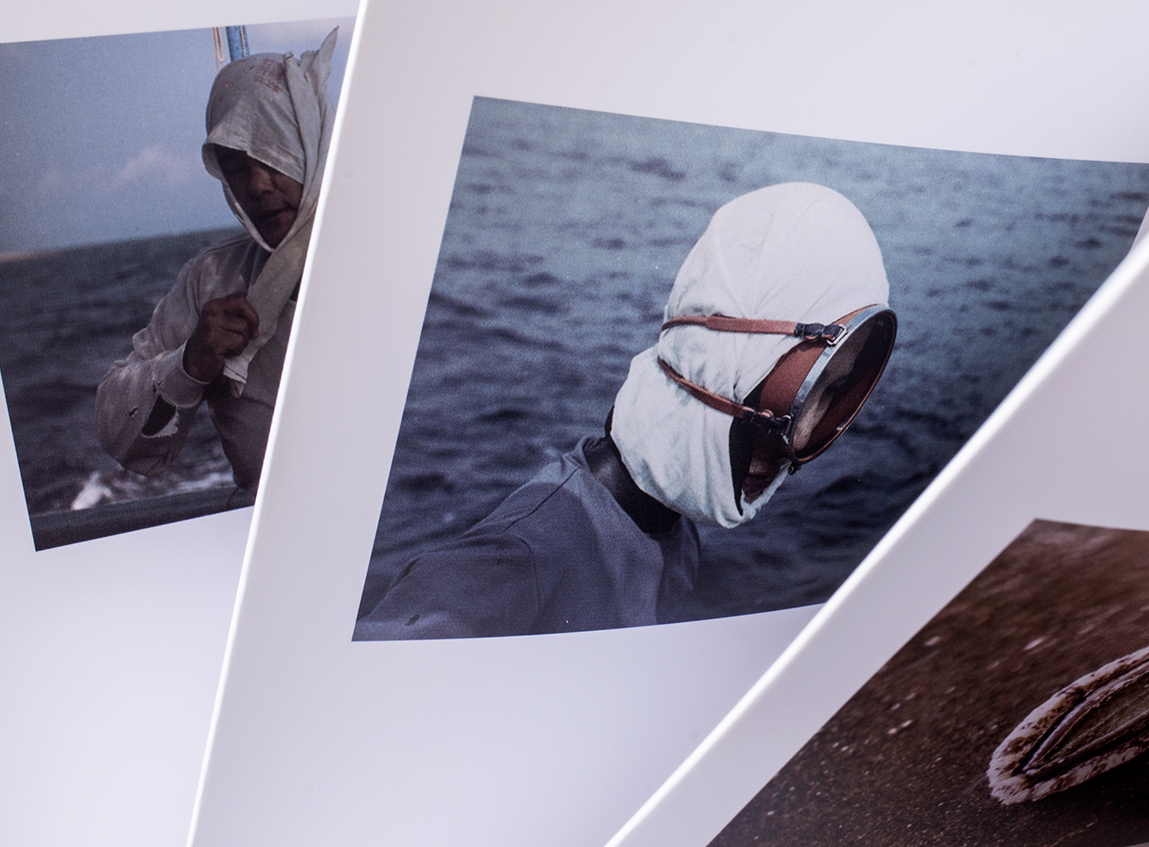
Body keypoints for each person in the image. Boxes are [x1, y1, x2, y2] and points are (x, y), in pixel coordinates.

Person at [356, 181, 897, 639]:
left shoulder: (672, 533)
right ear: (722, 354)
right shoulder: (518, 561)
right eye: (808, 386)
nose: (802, 435)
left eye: (831, 396)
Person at [95, 32, 335, 495]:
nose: (258, 185)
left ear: (311, 141)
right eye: (237, 166)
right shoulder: (212, 281)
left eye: (273, 152)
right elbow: (114, 427)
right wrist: (189, 364)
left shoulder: (385, 247)